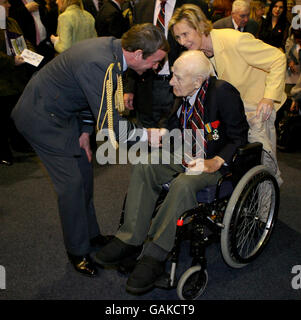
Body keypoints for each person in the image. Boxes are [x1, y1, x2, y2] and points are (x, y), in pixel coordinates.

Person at [11, 23, 169, 277]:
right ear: (139, 54)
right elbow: (111, 126)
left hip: (64, 112)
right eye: (156, 62)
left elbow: (90, 96)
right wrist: (145, 136)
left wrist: (85, 131)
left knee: (84, 173)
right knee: (71, 185)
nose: (156, 68)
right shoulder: (100, 63)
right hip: (40, 118)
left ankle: (92, 235)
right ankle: (77, 250)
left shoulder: (114, 53)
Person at [94, 50, 249, 295]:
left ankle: (155, 254)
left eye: (176, 77)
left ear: (197, 81)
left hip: (214, 162)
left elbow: (239, 136)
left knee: (184, 185)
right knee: (146, 165)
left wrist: (217, 161)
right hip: (185, 151)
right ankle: (130, 238)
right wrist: (161, 134)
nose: (170, 81)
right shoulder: (182, 92)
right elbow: (172, 123)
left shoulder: (223, 93)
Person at [169, 3, 286, 186]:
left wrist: (269, 97)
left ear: (200, 26)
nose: (182, 42)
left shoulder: (235, 41)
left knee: (265, 168)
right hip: (233, 113)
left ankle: (266, 209)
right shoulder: (200, 54)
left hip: (256, 110)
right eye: (178, 37)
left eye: (186, 34)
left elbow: (278, 58)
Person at [123, 0, 210, 129]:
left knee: (176, 134)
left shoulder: (193, 4)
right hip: (146, 85)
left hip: (180, 85)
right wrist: (129, 88)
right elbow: (134, 48)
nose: (182, 41)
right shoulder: (142, 7)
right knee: (147, 137)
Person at [0, 0, 35, 166]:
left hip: (17, 78)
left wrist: (30, 54)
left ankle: (19, 144)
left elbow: (23, 40)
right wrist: (12, 61)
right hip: (3, 79)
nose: (8, 5)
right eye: (4, 2)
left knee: (17, 114)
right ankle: (4, 152)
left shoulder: (11, 22)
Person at [9, 0, 55, 66]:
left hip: (45, 43)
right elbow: (10, 20)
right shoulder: (13, 3)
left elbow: (45, 19)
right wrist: (25, 9)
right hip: (29, 46)